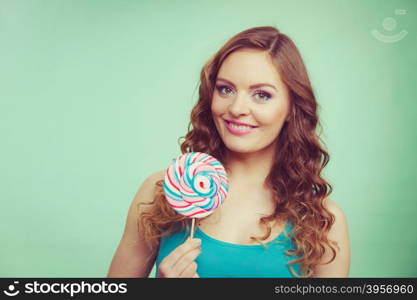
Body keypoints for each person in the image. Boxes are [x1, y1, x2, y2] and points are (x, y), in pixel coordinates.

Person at [107, 26, 350, 278]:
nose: (237, 108)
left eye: (262, 95)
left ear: (291, 108)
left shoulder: (323, 222)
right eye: (226, 89)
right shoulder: (160, 191)